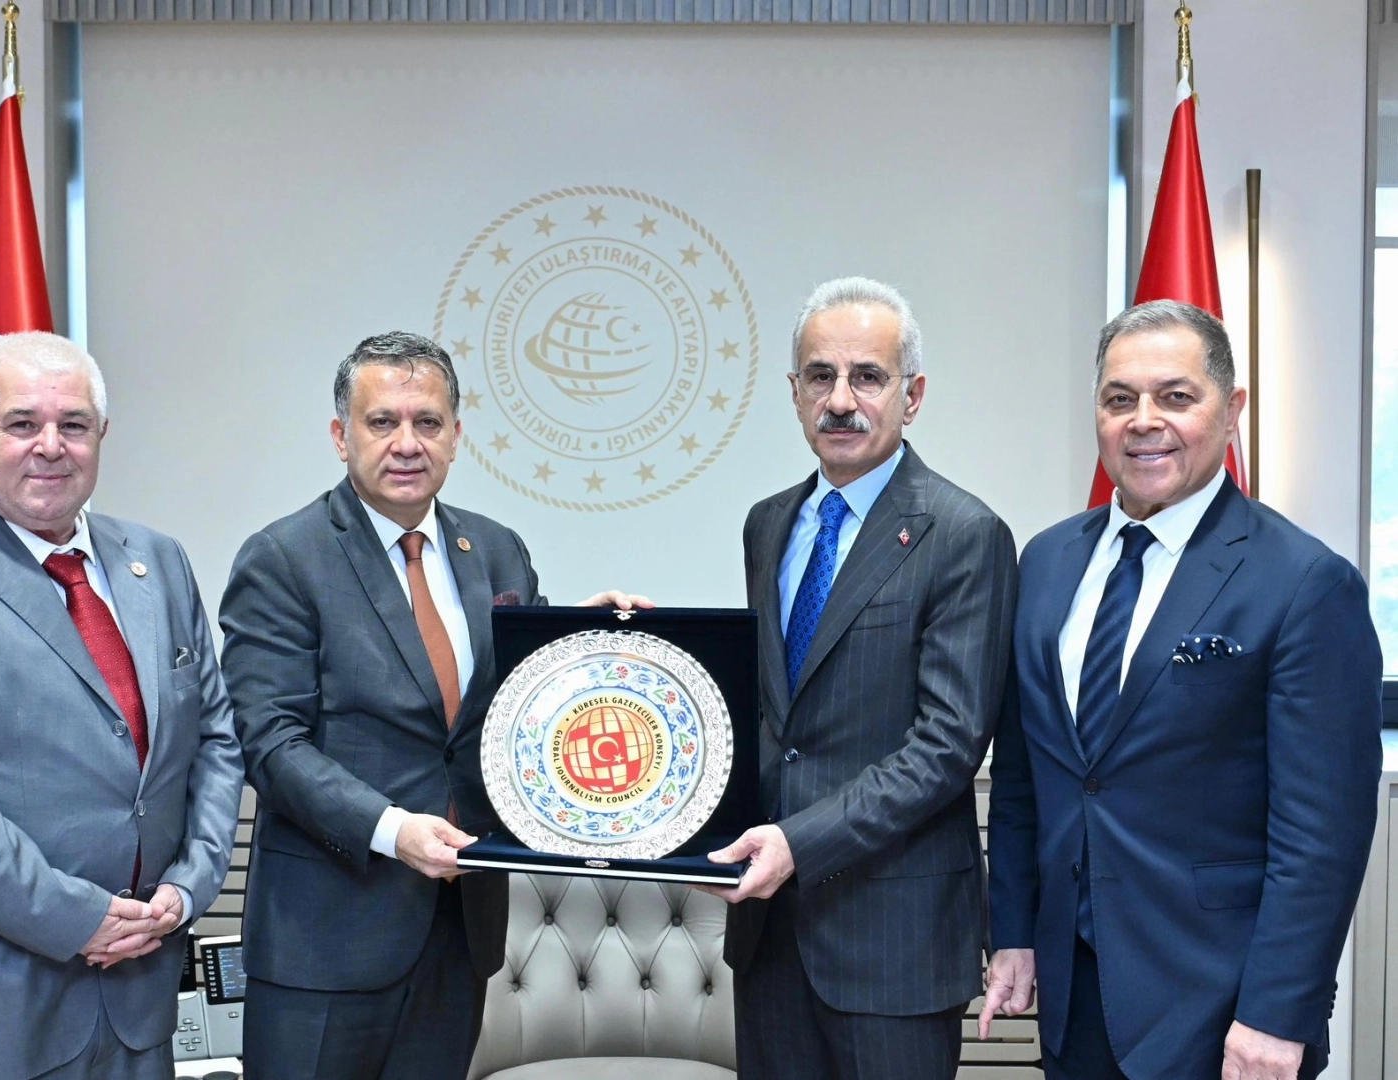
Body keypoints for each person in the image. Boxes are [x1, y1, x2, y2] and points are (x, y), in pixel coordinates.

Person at [220, 331, 647, 1080]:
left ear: (456, 435)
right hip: (326, 935)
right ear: (341, 436)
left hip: (458, 930)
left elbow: (519, 699)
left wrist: (583, 643)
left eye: (427, 422)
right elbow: (270, 742)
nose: (407, 443)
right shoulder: (284, 558)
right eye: (382, 422)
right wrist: (393, 831)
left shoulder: (496, 550)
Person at [980, 300, 1383, 1080]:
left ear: (1230, 412)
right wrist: (1016, 933)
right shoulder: (1047, 561)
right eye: (1119, 398)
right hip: (1072, 994)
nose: (1143, 421)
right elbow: (1026, 778)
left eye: (1174, 396)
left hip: (1222, 1008)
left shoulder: (1303, 582)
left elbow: (1320, 838)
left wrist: (1275, 1015)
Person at [0, 331, 244, 1080]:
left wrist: (188, 886)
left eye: (73, 424)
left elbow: (216, 741)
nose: (50, 446)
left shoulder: (158, 562)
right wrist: (78, 918)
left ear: (102, 435)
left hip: (139, 992)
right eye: (22, 423)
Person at [706, 277, 1018, 1080]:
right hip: (769, 931)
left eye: (867, 377)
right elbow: (775, 715)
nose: (840, 400)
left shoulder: (963, 533)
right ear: (794, 392)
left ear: (911, 396)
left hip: (893, 940)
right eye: (820, 376)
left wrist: (796, 844)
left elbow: (946, 746)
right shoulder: (767, 524)